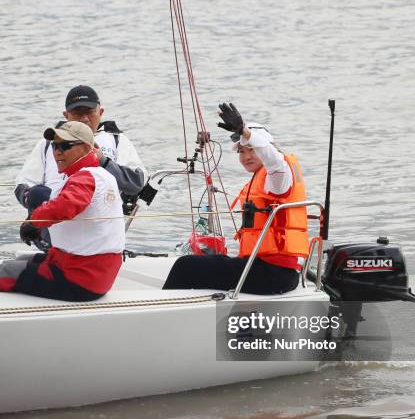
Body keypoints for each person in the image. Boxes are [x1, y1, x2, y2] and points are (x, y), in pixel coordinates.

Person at [163, 103, 310, 295]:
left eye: (251, 149)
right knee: (195, 264)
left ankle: (160, 315)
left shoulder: (278, 177)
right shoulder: (261, 177)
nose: (246, 156)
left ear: (264, 148)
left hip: (274, 273)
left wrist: (245, 132)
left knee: (185, 267)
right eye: (241, 151)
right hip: (261, 266)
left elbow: (274, 160)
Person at [0, 122, 125, 301]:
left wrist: (33, 223)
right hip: (91, 273)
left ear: (86, 148)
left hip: (78, 279)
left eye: (65, 146)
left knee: (6, 270)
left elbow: (65, 205)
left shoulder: (86, 177)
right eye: (55, 145)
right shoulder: (101, 175)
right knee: (22, 260)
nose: (57, 152)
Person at [14, 85, 148, 219]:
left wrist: (103, 161)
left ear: (100, 112)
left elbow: (137, 184)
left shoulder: (117, 140)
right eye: (78, 113)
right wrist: (36, 204)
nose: (84, 118)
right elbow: (24, 184)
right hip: (53, 217)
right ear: (66, 115)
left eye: (90, 112)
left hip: (100, 220)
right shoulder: (47, 143)